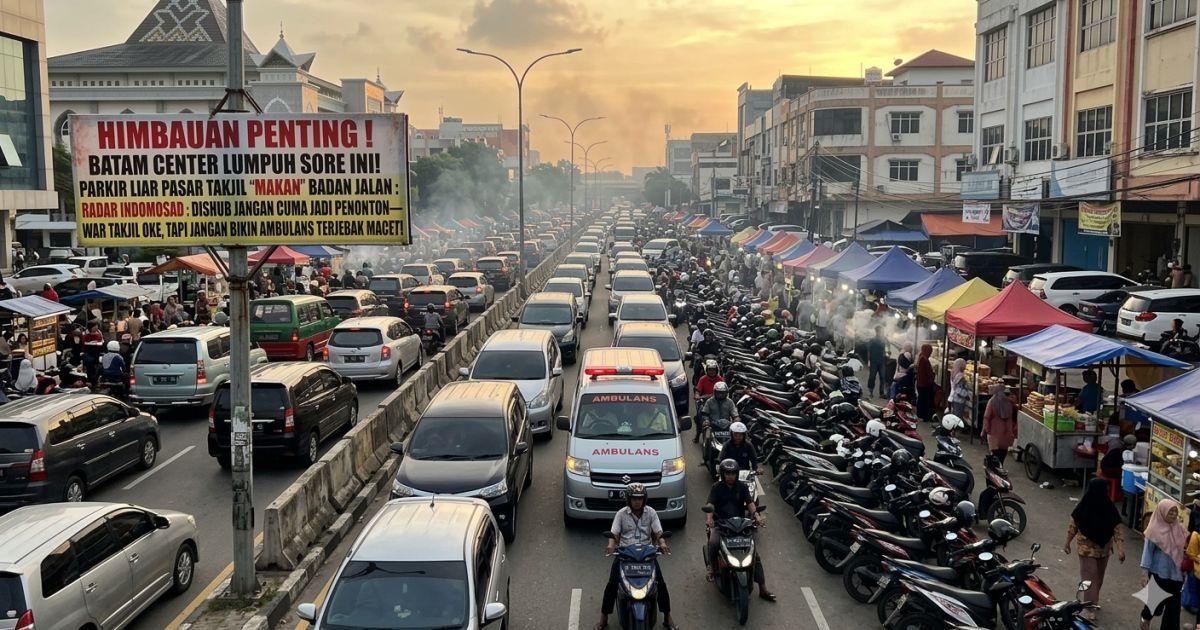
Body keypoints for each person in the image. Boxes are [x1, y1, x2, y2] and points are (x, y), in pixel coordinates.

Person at [596, 483, 678, 630]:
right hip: (625, 554)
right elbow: (614, 534)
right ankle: (603, 619)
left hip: (647, 555)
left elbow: (659, 532)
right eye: (634, 498)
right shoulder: (621, 514)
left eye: (640, 498)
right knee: (612, 584)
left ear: (644, 499)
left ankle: (667, 617)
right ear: (628, 499)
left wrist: (663, 544)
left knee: (661, 584)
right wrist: (611, 545)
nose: (637, 501)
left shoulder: (651, 513)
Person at [704, 459, 775, 601]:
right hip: (722, 525)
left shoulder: (742, 487)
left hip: (740, 526)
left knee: (755, 555)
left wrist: (756, 515)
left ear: (736, 474)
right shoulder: (716, 487)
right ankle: (713, 569)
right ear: (722, 474)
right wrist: (709, 519)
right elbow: (710, 504)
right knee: (713, 543)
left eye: (732, 473)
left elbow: (750, 503)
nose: (730, 476)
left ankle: (763, 589)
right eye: (727, 473)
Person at [1064, 478, 1126, 619]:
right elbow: (1073, 526)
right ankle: (1087, 607)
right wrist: (1067, 543)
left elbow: (1117, 529)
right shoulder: (1083, 507)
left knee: (1098, 577)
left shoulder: (1109, 508)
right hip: (1086, 546)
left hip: (1103, 548)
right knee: (1089, 576)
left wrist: (1121, 549)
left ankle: (1092, 602)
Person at [1140, 499, 1187, 630]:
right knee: (1154, 606)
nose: (1173, 515)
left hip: (1176, 576)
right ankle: (1146, 616)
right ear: (1162, 512)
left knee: (1173, 610)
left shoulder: (1180, 529)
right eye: (1170, 512)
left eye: (1175, 512)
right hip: (1158, 574)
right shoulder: (1153, 530)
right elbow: (1147, 552)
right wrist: (1144, 573)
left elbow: (1184, 549)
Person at [982, 383, 1017, 464]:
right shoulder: (1011, 403)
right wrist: (1014, 432)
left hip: (994, 433)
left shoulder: (992, 402)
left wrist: (985, 430)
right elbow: (1014, 419)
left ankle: (994, 471)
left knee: (994, 456)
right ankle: (1000, 468)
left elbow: (987, 417)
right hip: (1006, 434)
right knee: (1002, 455)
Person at [866, 325, 888, 399]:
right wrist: (868, 361)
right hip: (874, 361)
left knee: (882, 377)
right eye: (880, 331)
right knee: (872, 377)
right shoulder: (872, 340)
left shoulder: (884, 340)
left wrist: (887, 353)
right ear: (877, 331)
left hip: (881, 361)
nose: (881, 332)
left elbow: (886, 350)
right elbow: (869, 351)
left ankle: (881, 393)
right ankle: (870, 392)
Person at [915, 343, 935, 422]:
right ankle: (924, 416)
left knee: (921, 399)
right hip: (925, 383)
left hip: (920, 383)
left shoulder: (921, 356)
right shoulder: (924, 360)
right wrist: (933, 375)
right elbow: (928, 373)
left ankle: (920, 414)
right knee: (924, 400)